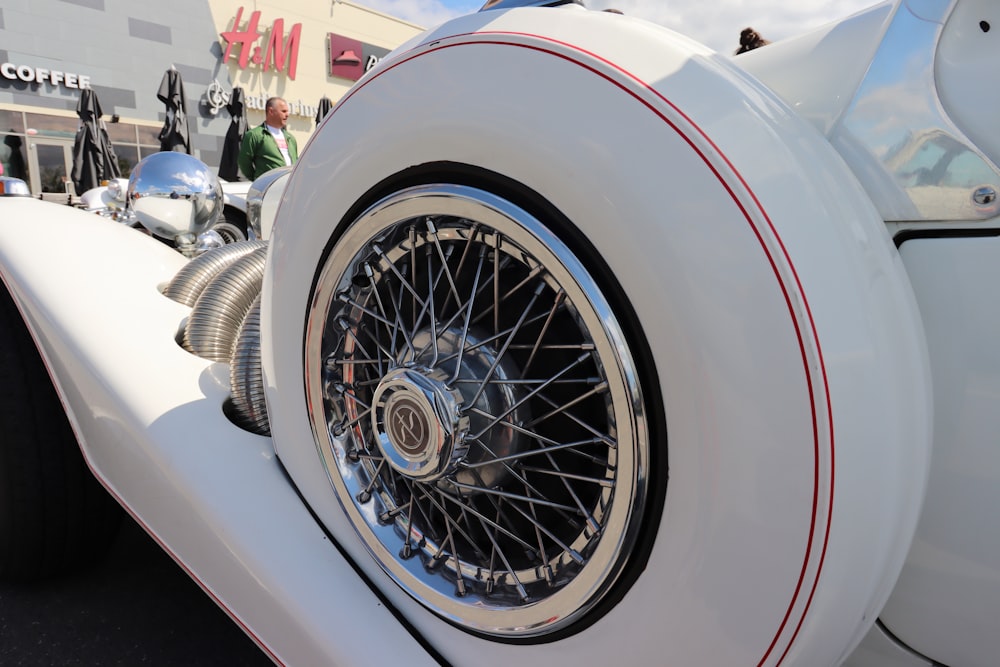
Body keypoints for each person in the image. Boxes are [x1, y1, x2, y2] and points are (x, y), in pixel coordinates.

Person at [237, 97, 298, 181]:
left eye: (287, 111)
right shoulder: (254, 135)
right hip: (269, 188)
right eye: (283, 111)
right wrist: (258, 180)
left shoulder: (290, 138)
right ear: (271, 111)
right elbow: (244, 162)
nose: (287, 114)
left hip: (289, 187)